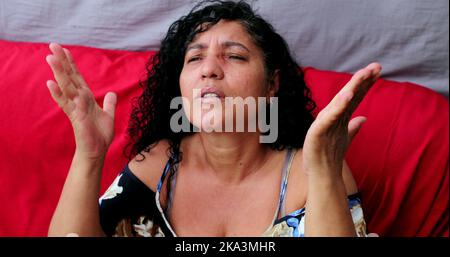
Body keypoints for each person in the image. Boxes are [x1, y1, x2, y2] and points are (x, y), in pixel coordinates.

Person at [46, 0, 381, 237]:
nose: (208, 69)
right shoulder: (158, 165)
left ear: (271, 85)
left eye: (234, 56)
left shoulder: (316, 167)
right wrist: (89, 156)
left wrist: (324, 170)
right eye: (194, 58)